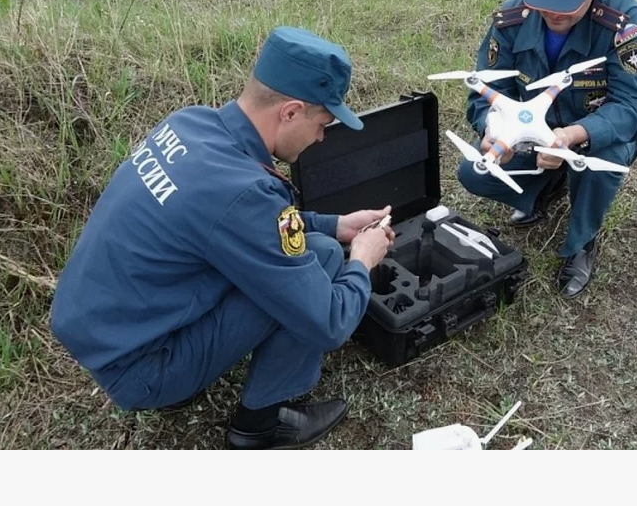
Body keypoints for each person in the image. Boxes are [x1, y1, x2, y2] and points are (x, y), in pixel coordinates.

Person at [49, 26, 395, 450]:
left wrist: (334, 224)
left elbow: (234, 222)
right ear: (290, 112)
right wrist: (361, 258)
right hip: (142, 370)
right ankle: (262, 425)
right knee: (321, 260)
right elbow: (329, 323)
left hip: (104, 333)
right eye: (322, 123)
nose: (322, 136)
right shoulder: (243, 192)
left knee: (318, 243)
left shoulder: (189, 124)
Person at [458, 0, 637, 299]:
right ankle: (545, 190)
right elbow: (485, 91)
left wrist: (570, 137)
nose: (553, 12)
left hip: (589, 134)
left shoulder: (624, 22)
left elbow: (634, 106)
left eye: (566, 2)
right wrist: (493, 129)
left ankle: (580, 242)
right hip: (531, 132)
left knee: (607, 160)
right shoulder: (511, 19)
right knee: (474, 170)